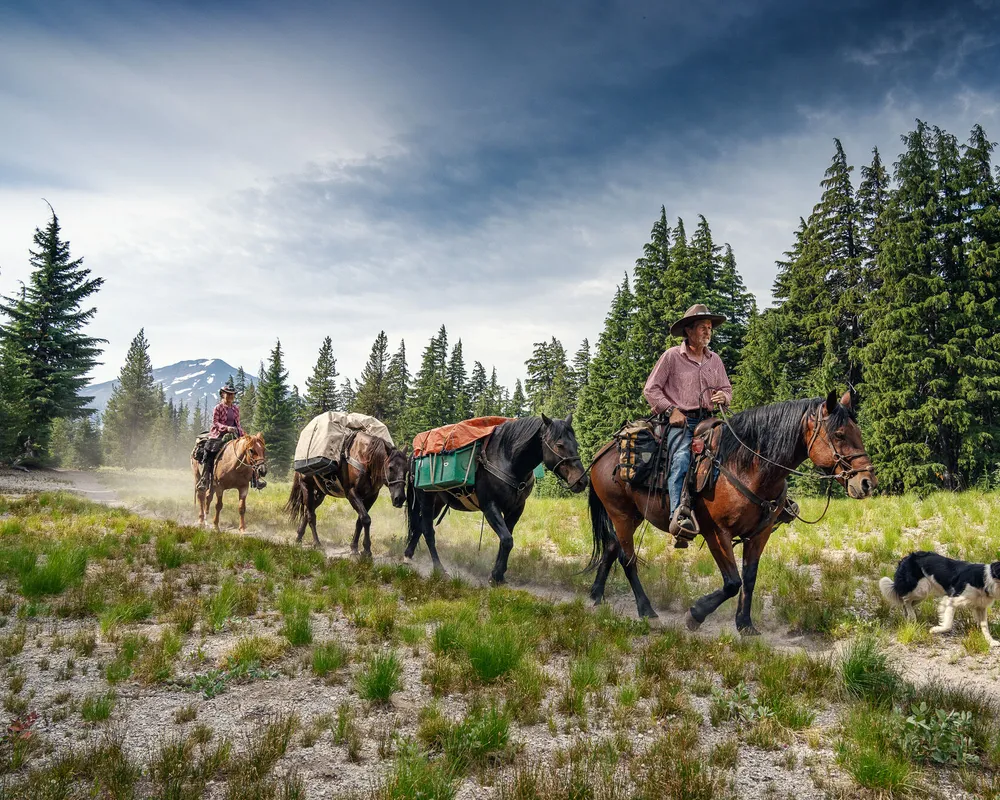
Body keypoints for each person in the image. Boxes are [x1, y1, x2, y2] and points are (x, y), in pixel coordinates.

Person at [643, 304, 732, 547]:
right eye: (703, 327)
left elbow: (726, 388)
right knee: (682, 458)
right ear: (689, 331)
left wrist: (723, 397)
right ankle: (678, 516)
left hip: (710, 420)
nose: (708, 331)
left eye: (710, 328)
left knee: (736, 451)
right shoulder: (672, 356)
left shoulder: (715, 360)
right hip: (680, 421)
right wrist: (671, 411)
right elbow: (651, 389)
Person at [199, 382, 265, 490]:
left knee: (250, 451)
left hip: (235, 433)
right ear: (222, 394)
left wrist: (244, 434)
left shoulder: (235, 409)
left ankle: (255, 479)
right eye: (228, 394)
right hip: (219, 434)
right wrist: (226, 428)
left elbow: (237, 423)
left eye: (232, 394)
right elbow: (215, 422)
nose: (230, 396)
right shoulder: (218, 408)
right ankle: (205, 479)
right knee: (209, 451)